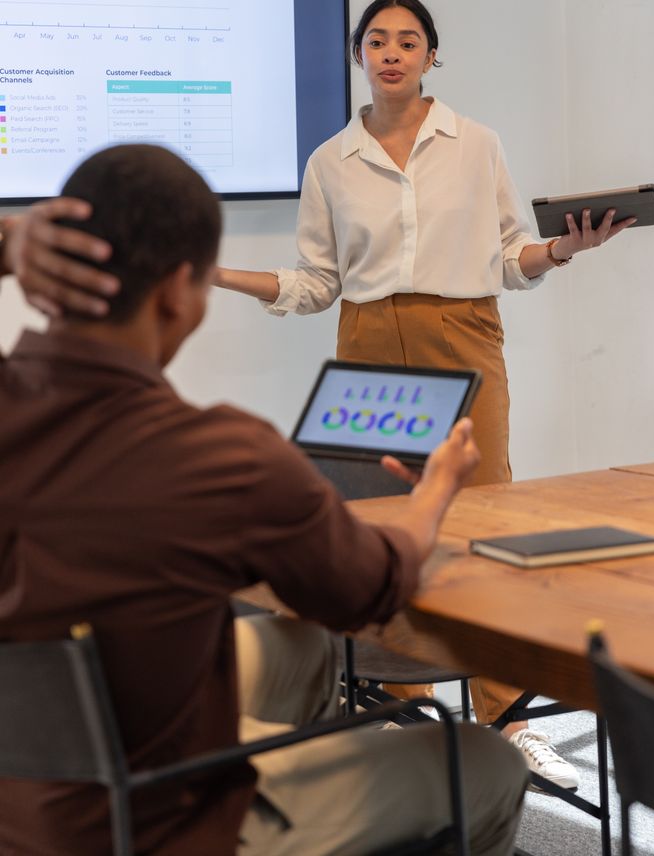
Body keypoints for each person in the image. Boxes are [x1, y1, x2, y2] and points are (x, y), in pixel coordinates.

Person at [0, 143, 528, 856]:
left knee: (302, 648)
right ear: (180, 291)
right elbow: (371, 587)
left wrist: (9, 240)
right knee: (485, 760)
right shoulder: (220, 456)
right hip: (163, 822)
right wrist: (434, 493)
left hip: (24, 791)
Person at [215, 0, 637, 787]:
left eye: (409, 40)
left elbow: (510, 257)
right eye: (377, 40)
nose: (393, 52)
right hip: (368, 342)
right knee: (374, 519)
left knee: (485, 518)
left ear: (433, 56)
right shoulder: (329, 162)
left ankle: (505, 721)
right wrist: (215, 272)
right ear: (360, 56)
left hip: (463, 334)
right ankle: (397, 711)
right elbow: (314, 282)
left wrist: (564, 249)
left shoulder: (475, 144)